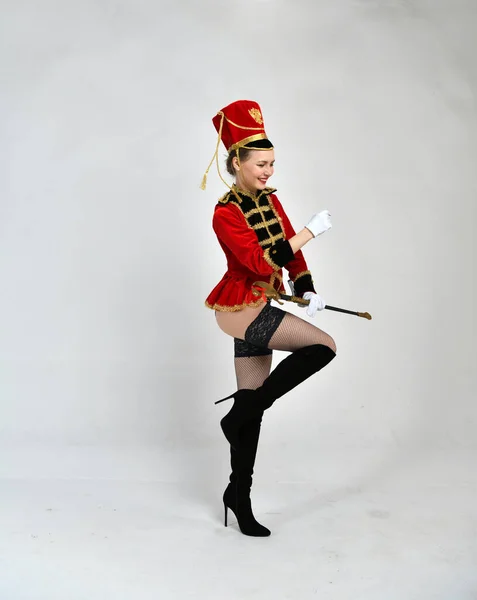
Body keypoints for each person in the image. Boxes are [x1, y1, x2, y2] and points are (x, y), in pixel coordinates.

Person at [202, 100, 337, 537]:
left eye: (272, 163)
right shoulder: (225, 213)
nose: (268, 171)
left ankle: (237, 497)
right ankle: (239, 415)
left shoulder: (271, 203)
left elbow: (290, 256)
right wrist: (310, 231)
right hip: (240, 308)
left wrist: (306, 288)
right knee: (323, 347)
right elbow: (261, 264)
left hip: (263, 305)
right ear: (237, 162)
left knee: (250, 408)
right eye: (261, 164)